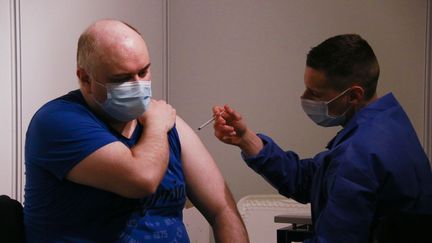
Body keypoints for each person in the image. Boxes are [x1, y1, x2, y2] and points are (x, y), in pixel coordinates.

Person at [24, 19, 248, 243]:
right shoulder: (57, 121)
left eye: (144, 72)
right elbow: (142, 179)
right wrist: (157, 125)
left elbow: (222, 211)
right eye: (122, 79)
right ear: (85, 79)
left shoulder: (168, 123)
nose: (138, 85)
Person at [212, 34, 432, 242]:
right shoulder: (388, 123)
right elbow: (311, 179)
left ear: (354, 95)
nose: (304, 98)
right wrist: (247, 140)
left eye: (315, 94)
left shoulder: (359, 154)